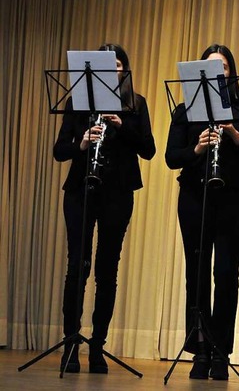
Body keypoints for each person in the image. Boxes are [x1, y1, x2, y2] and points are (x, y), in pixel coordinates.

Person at [53, 43, 156, 374]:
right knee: (77, 266)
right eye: (105, 65)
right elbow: (60, 150)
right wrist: (82, 142)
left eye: (117, 65)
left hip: (118, 192)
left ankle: (97, 346)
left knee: (106, 270)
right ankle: (71, 344)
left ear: (125, 71)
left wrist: (122, 125)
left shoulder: (135, 104)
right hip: (81, 190)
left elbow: (149, 150)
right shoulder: (77, 103)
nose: (112, 71)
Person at [165, 44, 239, 380]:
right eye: (210, 67)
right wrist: (198, 147)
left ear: (230, 73)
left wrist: (234, 133)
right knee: (195, 274)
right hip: (194, 196)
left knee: (226, 275)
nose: (217, 73)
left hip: (232, 197)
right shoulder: (184, 111)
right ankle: (200, 350)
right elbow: (171, 157)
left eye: (222, 67)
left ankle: (222, 351)